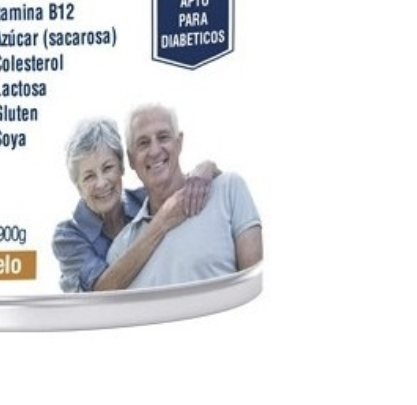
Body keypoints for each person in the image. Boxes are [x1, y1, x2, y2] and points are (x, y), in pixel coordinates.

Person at [52, 117, 219, 293]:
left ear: (121, 168)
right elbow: (101, 292)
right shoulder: (68, 236)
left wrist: (206, 168)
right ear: (78, 187)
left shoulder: (144, 199)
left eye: (108, 168)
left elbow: (190, 188)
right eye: (89, 176)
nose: (101, 183)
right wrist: (160, 223)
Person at [106, 104, 261, 287]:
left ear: (179, 143)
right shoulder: (120, 250)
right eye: (143, 143)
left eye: (163, 137)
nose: (154, 151)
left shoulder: (228, 190)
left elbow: (254, 285)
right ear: (131, 159)